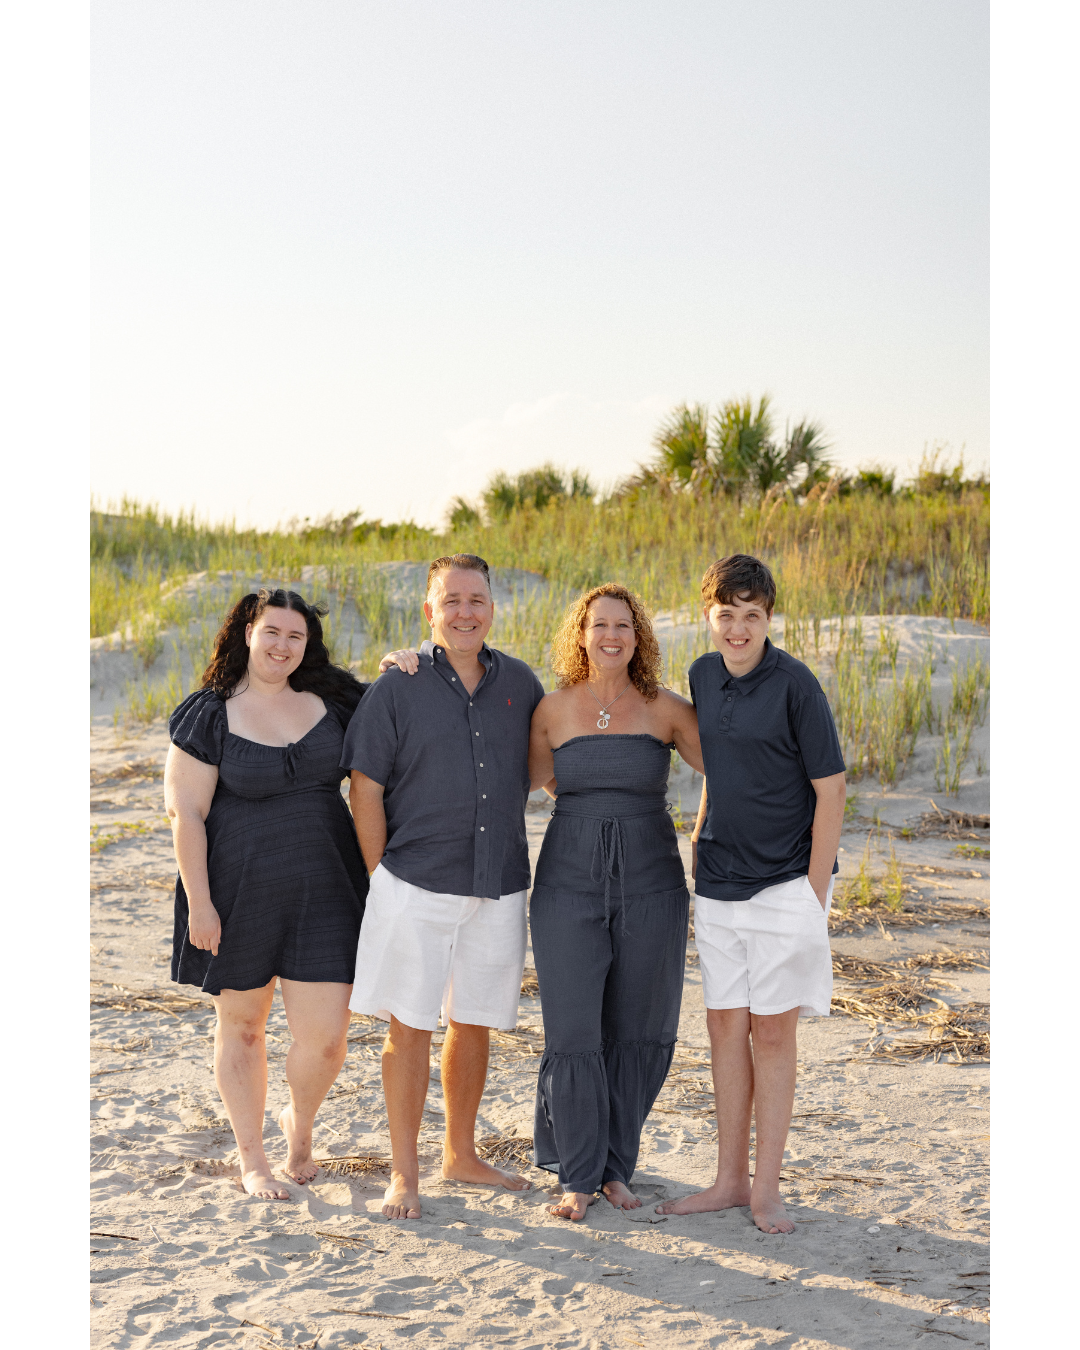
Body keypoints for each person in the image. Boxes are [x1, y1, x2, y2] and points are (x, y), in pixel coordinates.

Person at [343, 553, 547, 1220]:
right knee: (410, 1026)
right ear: (429, 611)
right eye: (451, 600)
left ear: (492, 607)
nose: (465, 611)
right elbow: (364, 789)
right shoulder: (397, 686)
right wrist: (380, 877)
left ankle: (459, 1152)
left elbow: (549, 763)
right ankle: (406, 1174)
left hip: (499, 882)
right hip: (415, 881)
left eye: (477, 599)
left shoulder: (520, 682)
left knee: (476, 1020)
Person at [655, 554, 847, 1234]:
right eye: (726, 615)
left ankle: (767, 1190)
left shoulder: (796, 685)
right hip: (718, 886)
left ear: (770, 618)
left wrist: (813, 894)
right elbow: (719, 763)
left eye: (752, 617)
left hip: (784, 888)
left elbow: (831, 791)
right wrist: (703, 830)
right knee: (723, 1028)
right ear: (710, 616)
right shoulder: (703, 675)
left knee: (773, 1033)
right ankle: (728, 1180)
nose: (738, 630)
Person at [165, 588, 369, 1201]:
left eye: (295, 636)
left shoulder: (335, 700)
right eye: (271, 632)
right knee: (244, 1027)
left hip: (327, 890)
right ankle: (252, 1157)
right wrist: (200, 903)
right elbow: (187, 815)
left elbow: (400, 718)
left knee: (327, 1037)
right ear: (247, 634)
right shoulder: (210, 712)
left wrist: (404, 663)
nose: (282, 645)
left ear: (307, 645)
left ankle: (298, 1125)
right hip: (237, 893)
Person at [527, 584, 704, 1221]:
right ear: (580, 634)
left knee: (639, 1029)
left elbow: (735, 769)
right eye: (599, 624)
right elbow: (514, 776)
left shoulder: (668, 709)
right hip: (567, 881)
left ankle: (614, 1167)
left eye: (623, 625)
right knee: (573, 1028)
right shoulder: (550, 709)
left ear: (639, 636)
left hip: (653, 882)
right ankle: (576, 1173)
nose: (611, 636)